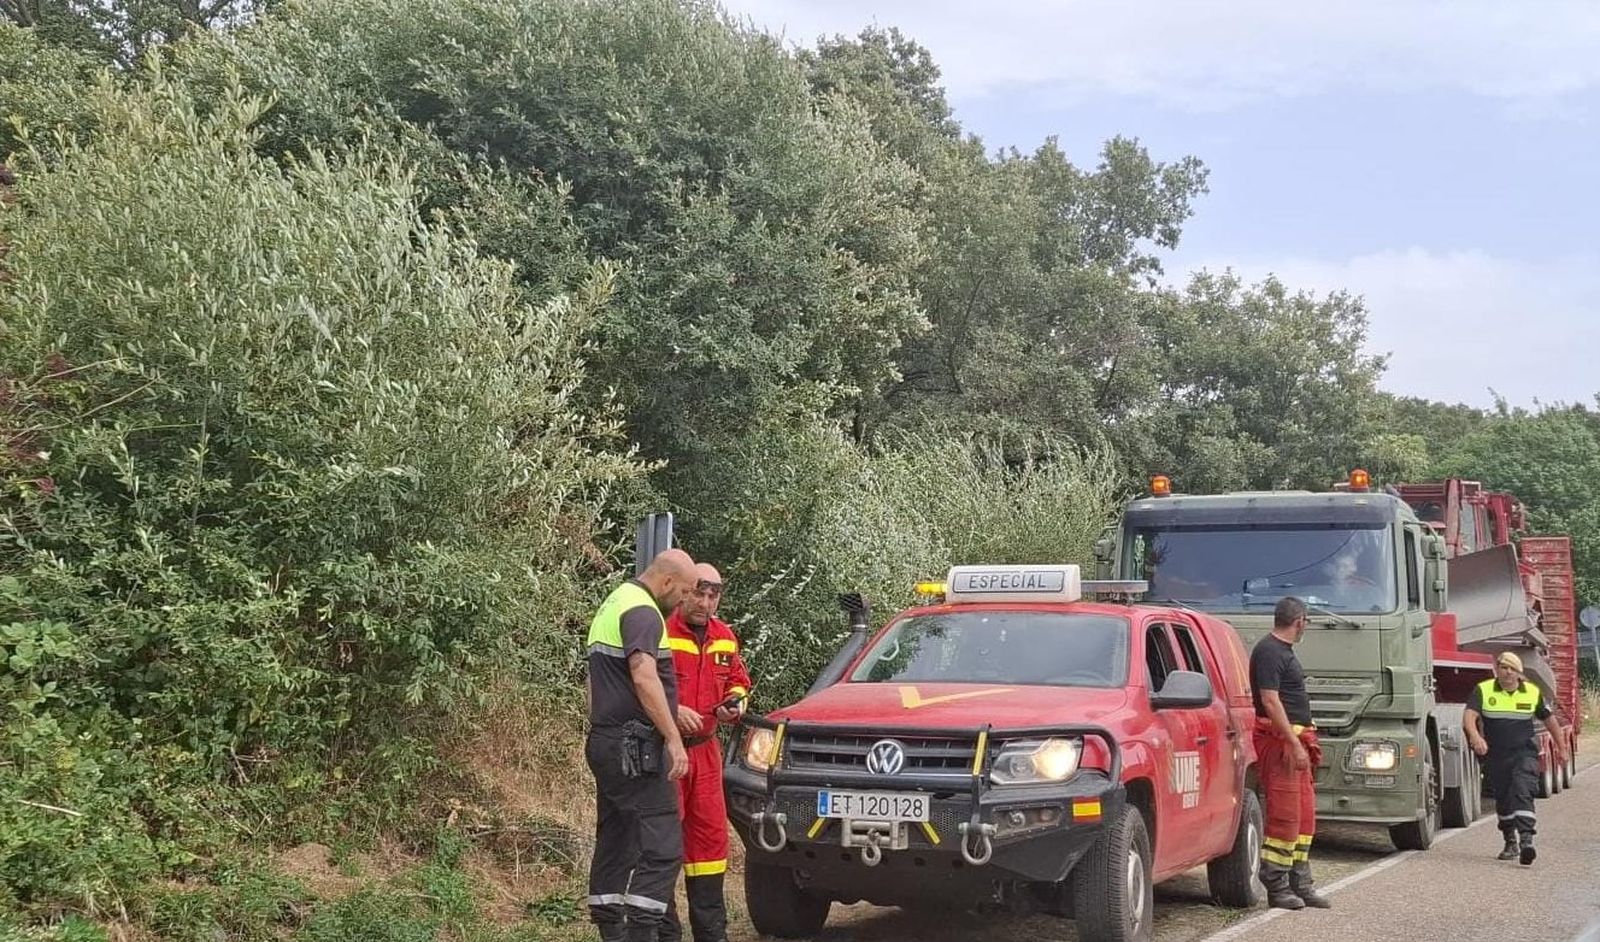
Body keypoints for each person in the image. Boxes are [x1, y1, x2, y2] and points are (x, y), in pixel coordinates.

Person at [584, 548, 699, 942]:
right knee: (663, 847)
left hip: (606, 741)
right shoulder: (644, 612)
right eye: (684, 591)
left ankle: (612, 931)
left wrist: (605, 728)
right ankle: (642, 933)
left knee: (617, 841)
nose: (684, 601)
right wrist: (673, 739)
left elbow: (595, 683)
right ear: (666, 582)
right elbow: (644, 675)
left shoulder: (614, 602)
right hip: (635, 749)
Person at [658, 563, 751, 942]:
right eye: (699, 593)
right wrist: (672, 710)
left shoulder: (725, 637)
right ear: (684, 592)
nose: (705, 602)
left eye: (713, 595)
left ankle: (712, 933)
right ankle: (664, 933)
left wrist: (735, 704)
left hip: (706, 754)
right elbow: (641, 685)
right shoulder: (661, 631)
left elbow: (739, 682)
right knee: (662, 841)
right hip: (666, 753)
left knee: (710, 843)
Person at [1249, 596, 1330, 910]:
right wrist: (1294, 744)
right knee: (1284, 816)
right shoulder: (1270, 652)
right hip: (1281, 744)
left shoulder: (1282, 652)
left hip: (1295, 742)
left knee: (1303, 817)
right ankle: (1277, 885)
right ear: (1299, 622)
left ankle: (1301, 883)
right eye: (1306, 621)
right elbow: (1270, 701)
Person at [1463, 651, 1566, 865]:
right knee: (1503, 798)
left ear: (1519, 673)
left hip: (1524, 753)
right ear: (1497, 669)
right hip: (1497, 756)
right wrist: (1475, 737)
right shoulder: (1484, 690)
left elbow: (1550, 721)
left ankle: (1527, 841)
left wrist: (1562, 748)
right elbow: (1469, 715)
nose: (1508, 672)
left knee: (1522, 791)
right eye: (1504, 667)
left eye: (1513, 669)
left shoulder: (1531, 692)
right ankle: (1510, 841)